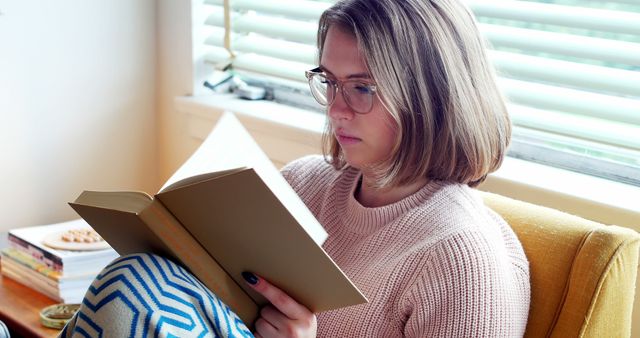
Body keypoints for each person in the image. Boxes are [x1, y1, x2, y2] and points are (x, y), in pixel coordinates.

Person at [61, 0, 530, 337]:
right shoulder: (305, 182)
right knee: (138, 275)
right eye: (329, 81)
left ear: (431, 95)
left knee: (134, 287)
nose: (336, 109)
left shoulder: (463, 261)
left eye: (362, 88)